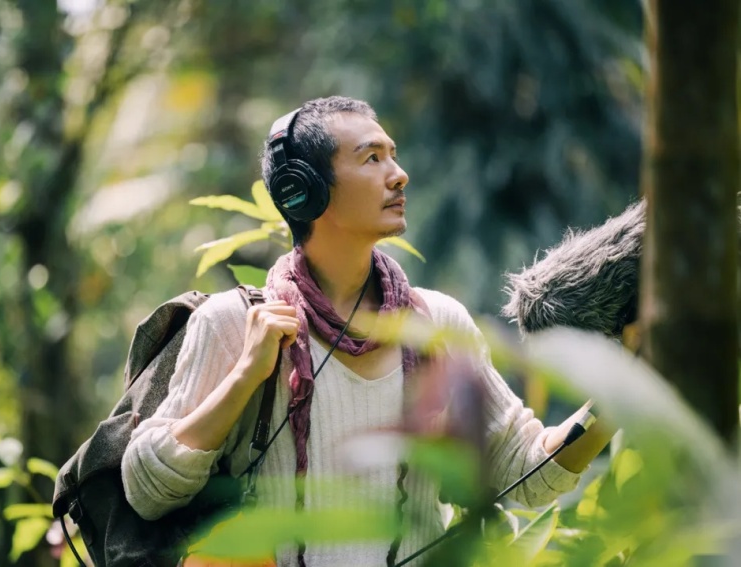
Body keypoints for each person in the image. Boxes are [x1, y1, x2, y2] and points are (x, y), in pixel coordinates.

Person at [121, 96, 613, 566]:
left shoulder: (438, 325)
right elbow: (146, 490)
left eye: (393, 156)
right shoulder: (235, 322)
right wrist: (246, 373)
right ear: (305, 189)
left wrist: (628, 389)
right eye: (372, 158)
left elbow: (522, 471)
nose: (399, 176)